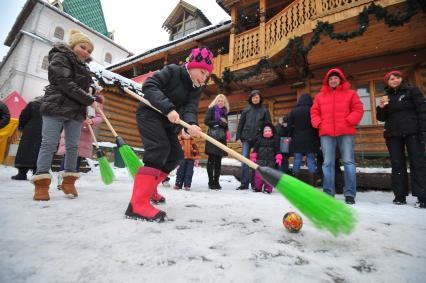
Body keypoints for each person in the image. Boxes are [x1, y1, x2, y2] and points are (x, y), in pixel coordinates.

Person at [125, 47, 213, 222]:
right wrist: (168, 108)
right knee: (159, 149)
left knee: (175, 155)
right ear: (191, 65)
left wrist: (192, 124)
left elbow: (190, 108)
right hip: (150, 114)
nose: (203, 78)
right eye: (202, 72)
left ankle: (150, 191)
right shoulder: (173, 71)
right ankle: (137, 204)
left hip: (168, 122)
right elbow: (150, 86)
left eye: (206, 75)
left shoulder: (195, 89)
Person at [31, 29, 100, 201]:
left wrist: (92, 89)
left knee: (72, 146)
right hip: (56, 106)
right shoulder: (60, 57)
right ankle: (41, 184)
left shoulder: (85, 67)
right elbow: (64, 82)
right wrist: (88, 99)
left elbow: (86, 86)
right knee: (49, 143)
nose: (86, 52)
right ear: (73, 45)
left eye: (89, 51)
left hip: (75, 112)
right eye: (82, 47)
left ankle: (69, 182)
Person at [311, 68, 364, 204]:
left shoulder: (351, 94)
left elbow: (358, 109)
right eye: (331, 79)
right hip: (326, 133)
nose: (333, 80)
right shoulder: (320, 96)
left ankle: (350, 194)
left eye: (336, 78)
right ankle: (328, 193)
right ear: (327, 81)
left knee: (348, 162)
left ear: (340, 80)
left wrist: (349, 121)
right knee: (327, 163)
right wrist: (318, 123)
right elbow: (314, 112)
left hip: (346, 132)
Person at [376, 70, 426, 208]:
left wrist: (423, 131)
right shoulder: (387, 97)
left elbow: (422, 110)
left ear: (401, 78)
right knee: (397, 164)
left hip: (413, 132)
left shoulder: (412, 91)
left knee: (418, 163)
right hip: (393, 134)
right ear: (388, 82)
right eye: (391, 79)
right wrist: (381, 108)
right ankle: (400, 195)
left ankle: (422, 197)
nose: (394, 80)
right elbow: (381, 118)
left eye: (396, 77)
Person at [56, 96, 104, 189]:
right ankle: (61, 180)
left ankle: (70, 181)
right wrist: (80, 118)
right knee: (68, 154)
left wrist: (92, 121)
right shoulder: (76, 96)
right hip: (72, 129)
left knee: (78, 157)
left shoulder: (96, 101)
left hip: (85, 134)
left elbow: (100, 116)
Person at [236, 90, 272, 190]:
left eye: (257, 97)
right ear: (251, 99)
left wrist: (266, 138)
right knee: (244, 161)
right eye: (253, 97)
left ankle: (255, 184)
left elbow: (268, 125)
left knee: (256, 162)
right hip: (246, 138)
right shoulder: (246, 110)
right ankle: (244, 184)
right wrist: (238, 137)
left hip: (258, 140)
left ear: (260, 98)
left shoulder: (264, 110)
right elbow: (241, 124)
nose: (255, 99)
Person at [288, 93, 320, 185]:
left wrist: (291, 135)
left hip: (297, 139)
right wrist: (317, 139)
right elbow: (316, 126)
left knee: (297, 160)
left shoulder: (294, 111)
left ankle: (295, 182)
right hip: (311, 139)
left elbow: (290, 126)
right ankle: (312, 183)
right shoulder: (313, 110)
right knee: (310, 160)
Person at [11, 97, 43, 180]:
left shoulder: (33, 104)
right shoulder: (50, 107)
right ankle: (37, 173)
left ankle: (22, 173)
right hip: (44, 131)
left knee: (25, 150)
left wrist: (21, 127)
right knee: (39, 151)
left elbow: (23, 116)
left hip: (30, 131)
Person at [204, 94, 230, 190]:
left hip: (221, 137)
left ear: (224, 102)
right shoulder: (211, 109)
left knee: (218, 161)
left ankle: (216, 181)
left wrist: (224, 125)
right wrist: (218, 122)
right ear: (216, 101)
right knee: (211, 159)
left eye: (222, 101)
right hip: (212, 136)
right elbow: (206, 121)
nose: (220, 102)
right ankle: (211, 181)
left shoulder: (225, 112)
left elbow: (226, 126)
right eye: (219, 100)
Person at [250, 123, 281, 193]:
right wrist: (254, 157)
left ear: (272, 132)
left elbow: (277, 150)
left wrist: (278, 158)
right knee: (258, 175)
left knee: (269, 176)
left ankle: (267, 188)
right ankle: (258, 187)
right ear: (263, 132)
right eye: (266, 131)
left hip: (271, 161)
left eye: (269, 131)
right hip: (260, 161)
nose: (267, 132)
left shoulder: (274, 140)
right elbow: (255, 149)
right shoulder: (259, 140)